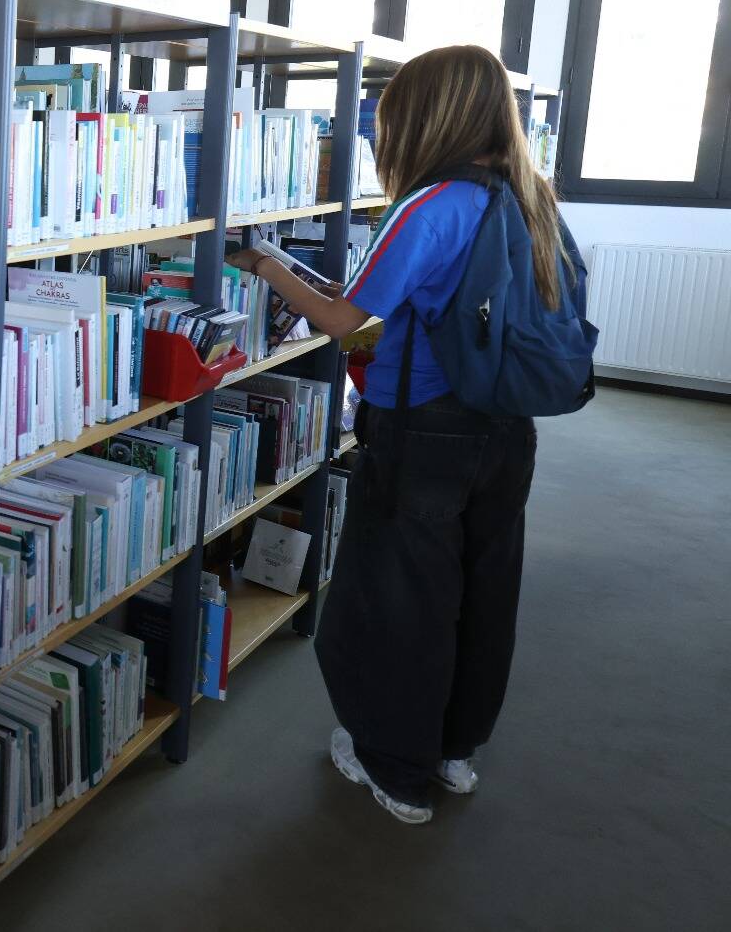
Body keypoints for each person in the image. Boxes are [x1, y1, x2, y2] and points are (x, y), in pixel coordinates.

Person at [227, 44, 567, 825]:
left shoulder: (430, 205)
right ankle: (452, 753)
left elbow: (347, 318)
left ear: (424, 119)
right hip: (508, 433)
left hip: (424, 437)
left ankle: (396, 770)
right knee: (482, 592)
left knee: (394, 603)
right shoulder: (533, 196)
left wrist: (270, 264)